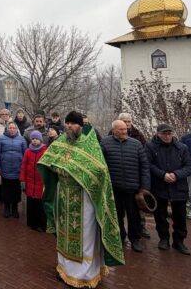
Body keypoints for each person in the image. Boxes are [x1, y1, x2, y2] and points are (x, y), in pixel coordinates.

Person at [39, 111, 124, 288]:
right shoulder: (60, 141)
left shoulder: (90, 144)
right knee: (64, 235)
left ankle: (85, 275)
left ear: (80, 126)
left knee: (84, 237)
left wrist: (77, 172)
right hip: (63, 196)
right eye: (67, 123)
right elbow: (48, 161)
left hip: (84, 199)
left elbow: (100, 170)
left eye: (73, 123)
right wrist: (55, 168)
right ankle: (64, 269)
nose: (69, 126)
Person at [101, 119, 150, 253]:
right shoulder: (105, 143)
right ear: (114, 130)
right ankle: (120, 237)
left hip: (132, 188)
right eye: (121, 129)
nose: (124, 131)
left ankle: (135, 239)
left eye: (125, 129)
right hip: (114, 188)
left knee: (134, 216)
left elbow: (144, 166)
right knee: (116, 215)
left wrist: (145, 187)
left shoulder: (136, 144)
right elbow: (101, 164)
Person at [146, 124, 191, 254]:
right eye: (164, 134)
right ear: (158, 134)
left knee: (180, 217)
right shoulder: (151, 147)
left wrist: (176, 175)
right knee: (160, 216)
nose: (167, 136)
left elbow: (190, 166)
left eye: (169, 134)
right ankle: (164, 239)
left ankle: (179, 241)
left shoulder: (182, 148)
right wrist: (162, 175)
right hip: (159, 187)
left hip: (178, 187)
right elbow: (148, 164)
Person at [0, 121, 27, 218]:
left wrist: (24, 169)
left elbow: (25, 155)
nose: (12, 130)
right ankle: (7, 208)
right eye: (10, 128)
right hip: (5, 169)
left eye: (14, 128)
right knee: (6, 190)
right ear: (7, 129)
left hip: (17, 169)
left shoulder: (22, 139)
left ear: (16, 129)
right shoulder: (1, 139)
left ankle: (15, 208)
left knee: (16, 190)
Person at [20, 130, 47, 231]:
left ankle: (41, 224)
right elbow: (23, 166)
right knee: (31, 204)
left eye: (37, 139)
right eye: (33, 139)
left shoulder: (45, 151)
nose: (35, 140)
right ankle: (32, 223)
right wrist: (22, 179)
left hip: (41, 182)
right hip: (30, 182)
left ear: (40, 140)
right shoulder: (28, 151)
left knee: (40, 205)